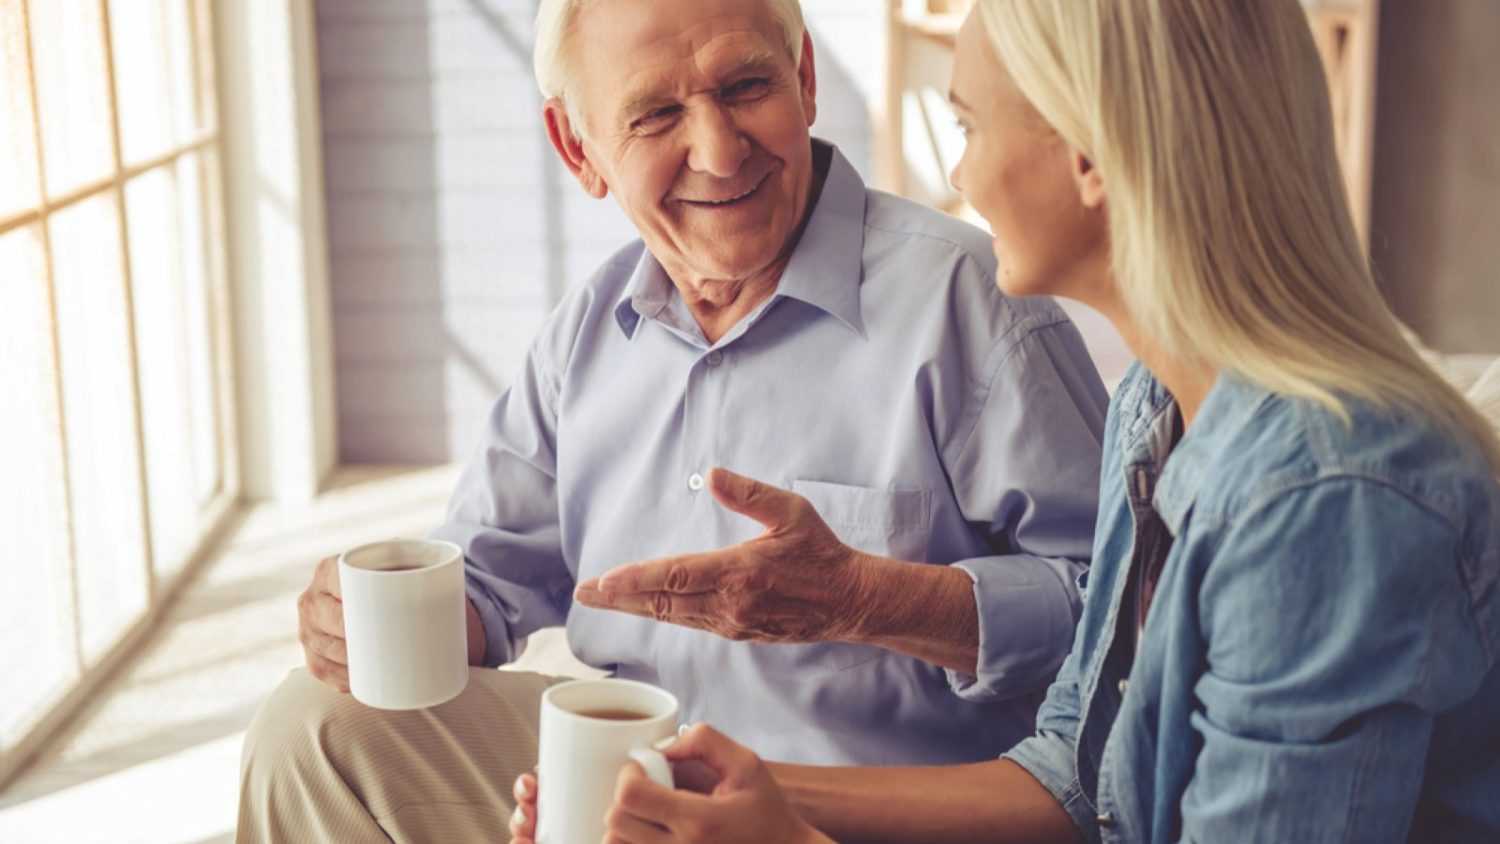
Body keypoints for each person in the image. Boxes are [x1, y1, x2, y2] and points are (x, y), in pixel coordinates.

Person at [510, 0, 1500, 841]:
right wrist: (713, 795)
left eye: (969, 127)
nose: (959, 180)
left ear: (1087, 157)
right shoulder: (1159, 412)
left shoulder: (1324, 502)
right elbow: (1080, 775)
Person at [235, 0, 1110, 839]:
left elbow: (1122, 624)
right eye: (655, 114)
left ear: (804, 78)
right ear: (578, 147)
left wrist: (867, 600)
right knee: (316, 726)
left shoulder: (974, 302)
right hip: (629, 775)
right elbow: (488, 580)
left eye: (745, 88)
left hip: (855, 809)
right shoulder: (588, 328)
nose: (719, 153)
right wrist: (371, 622)